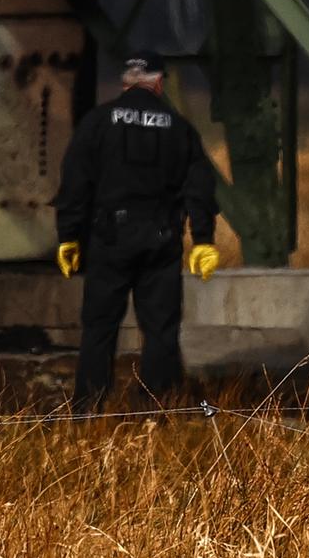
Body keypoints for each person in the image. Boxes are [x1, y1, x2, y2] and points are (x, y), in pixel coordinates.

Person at [52, 52, 220, 409]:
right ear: (159, 83)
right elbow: (200, 187)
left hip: (109, 239)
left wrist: (69, 235)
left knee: (99, 328)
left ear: (125, 82)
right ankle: (159, 408)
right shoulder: (179, 128)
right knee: (160, 330)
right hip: (160, 241)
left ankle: (89, 408)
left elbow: (75, 182)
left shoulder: (98, 122)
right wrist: (203, 240)